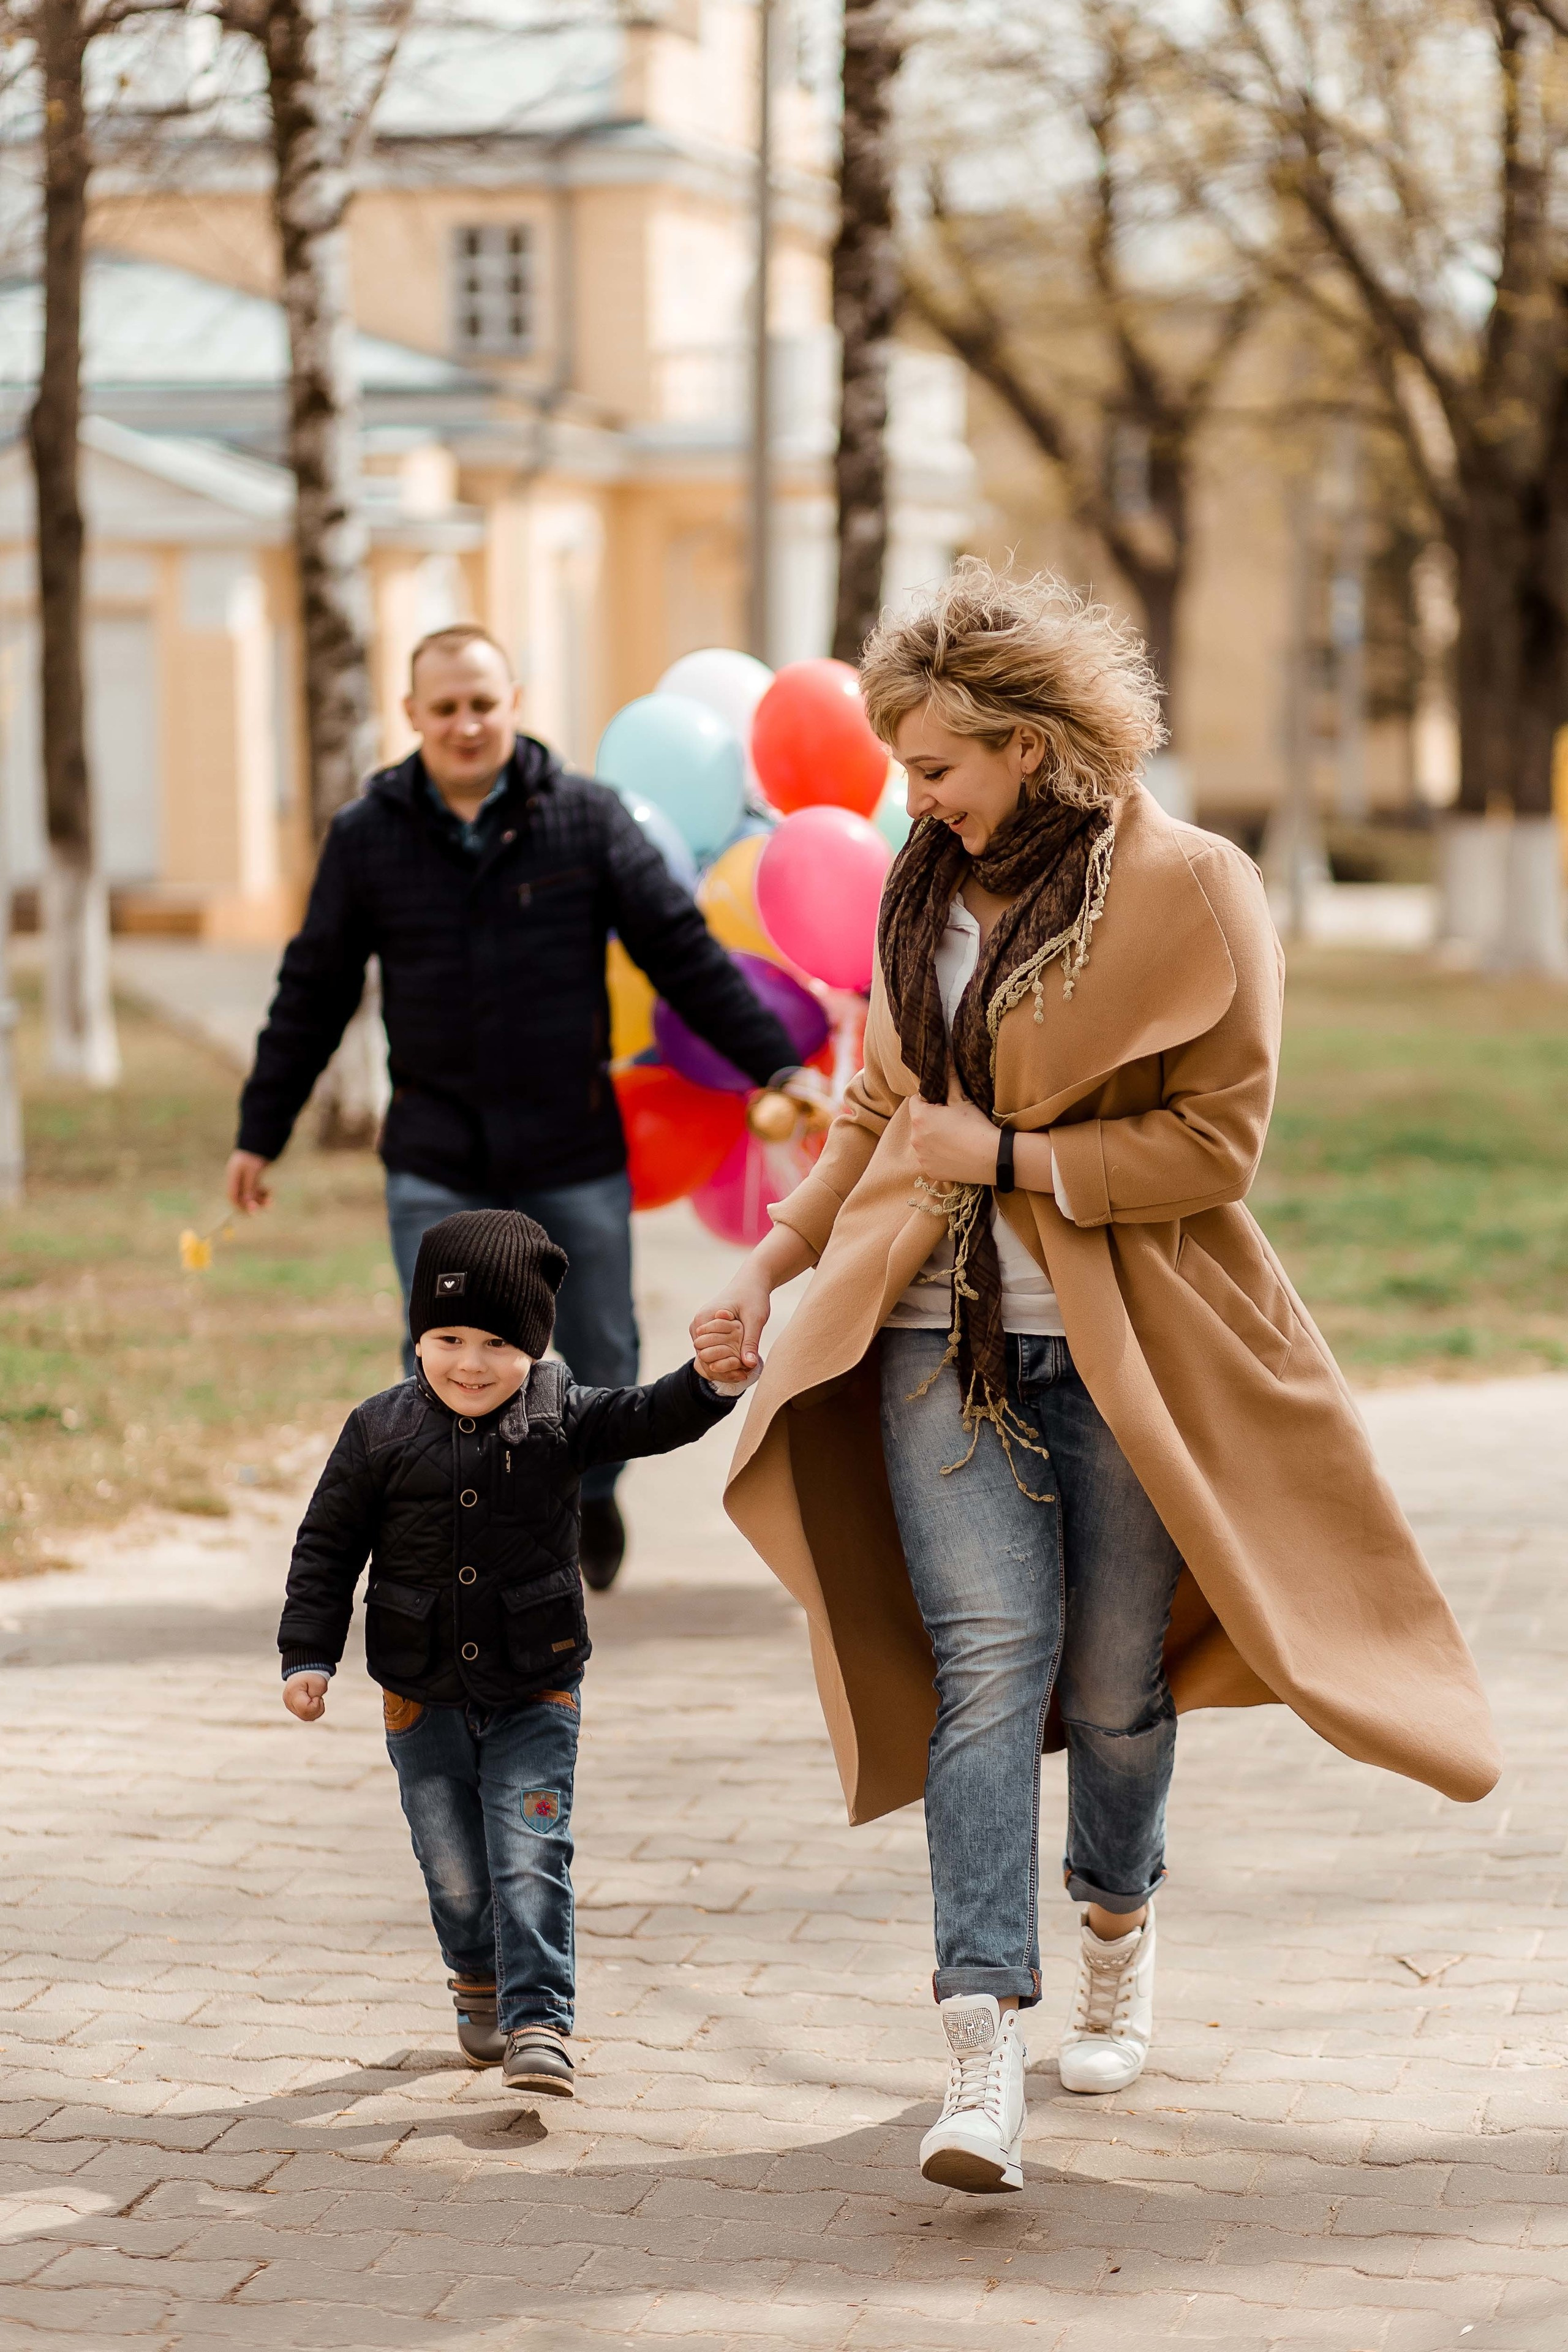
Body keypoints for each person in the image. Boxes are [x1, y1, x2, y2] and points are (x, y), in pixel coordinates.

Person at [692, 560, 1498, 2198]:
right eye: (901, 768)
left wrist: (1006, 1153)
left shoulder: (1194, 889)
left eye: (934, 765)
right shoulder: (918, 894)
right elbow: (874, 1114)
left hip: (1129, 1343)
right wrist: (771, 1267)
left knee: (1118, 1684)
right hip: (927, 1336)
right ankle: (981, 2040)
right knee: (992, 1671)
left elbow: (1219, 1143)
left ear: (1034, 748)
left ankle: (1118, 1925)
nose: (907, 796)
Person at [228, 624, 808, 1592]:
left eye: (482, 704)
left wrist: (775, 1067)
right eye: (445, 707)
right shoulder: (369, 837)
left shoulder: (584, 820)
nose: (465, 724)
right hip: (435, 1149)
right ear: (413, 716)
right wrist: (261, 1131)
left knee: (603, 1346)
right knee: (444, 1359)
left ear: (515, 704)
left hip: (568, 1143)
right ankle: (463, 1539)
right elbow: (313, 989)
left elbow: (681, 951)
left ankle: (589, 1494)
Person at [279, 1208, 752, 2096]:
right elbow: (325, 1548)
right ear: (416, 1337)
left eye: (497, 1343)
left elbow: (650, 1417)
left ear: (535, 1348)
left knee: (531, 1847)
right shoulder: (377, 1432)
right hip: (419, 1694)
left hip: (537, 1686)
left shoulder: (563, 1418)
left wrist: (711, 1385)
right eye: (447, 1337)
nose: (469, 1362)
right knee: (453, 1863)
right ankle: (478, 1982)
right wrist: (308, 1653)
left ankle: (539, 2020)